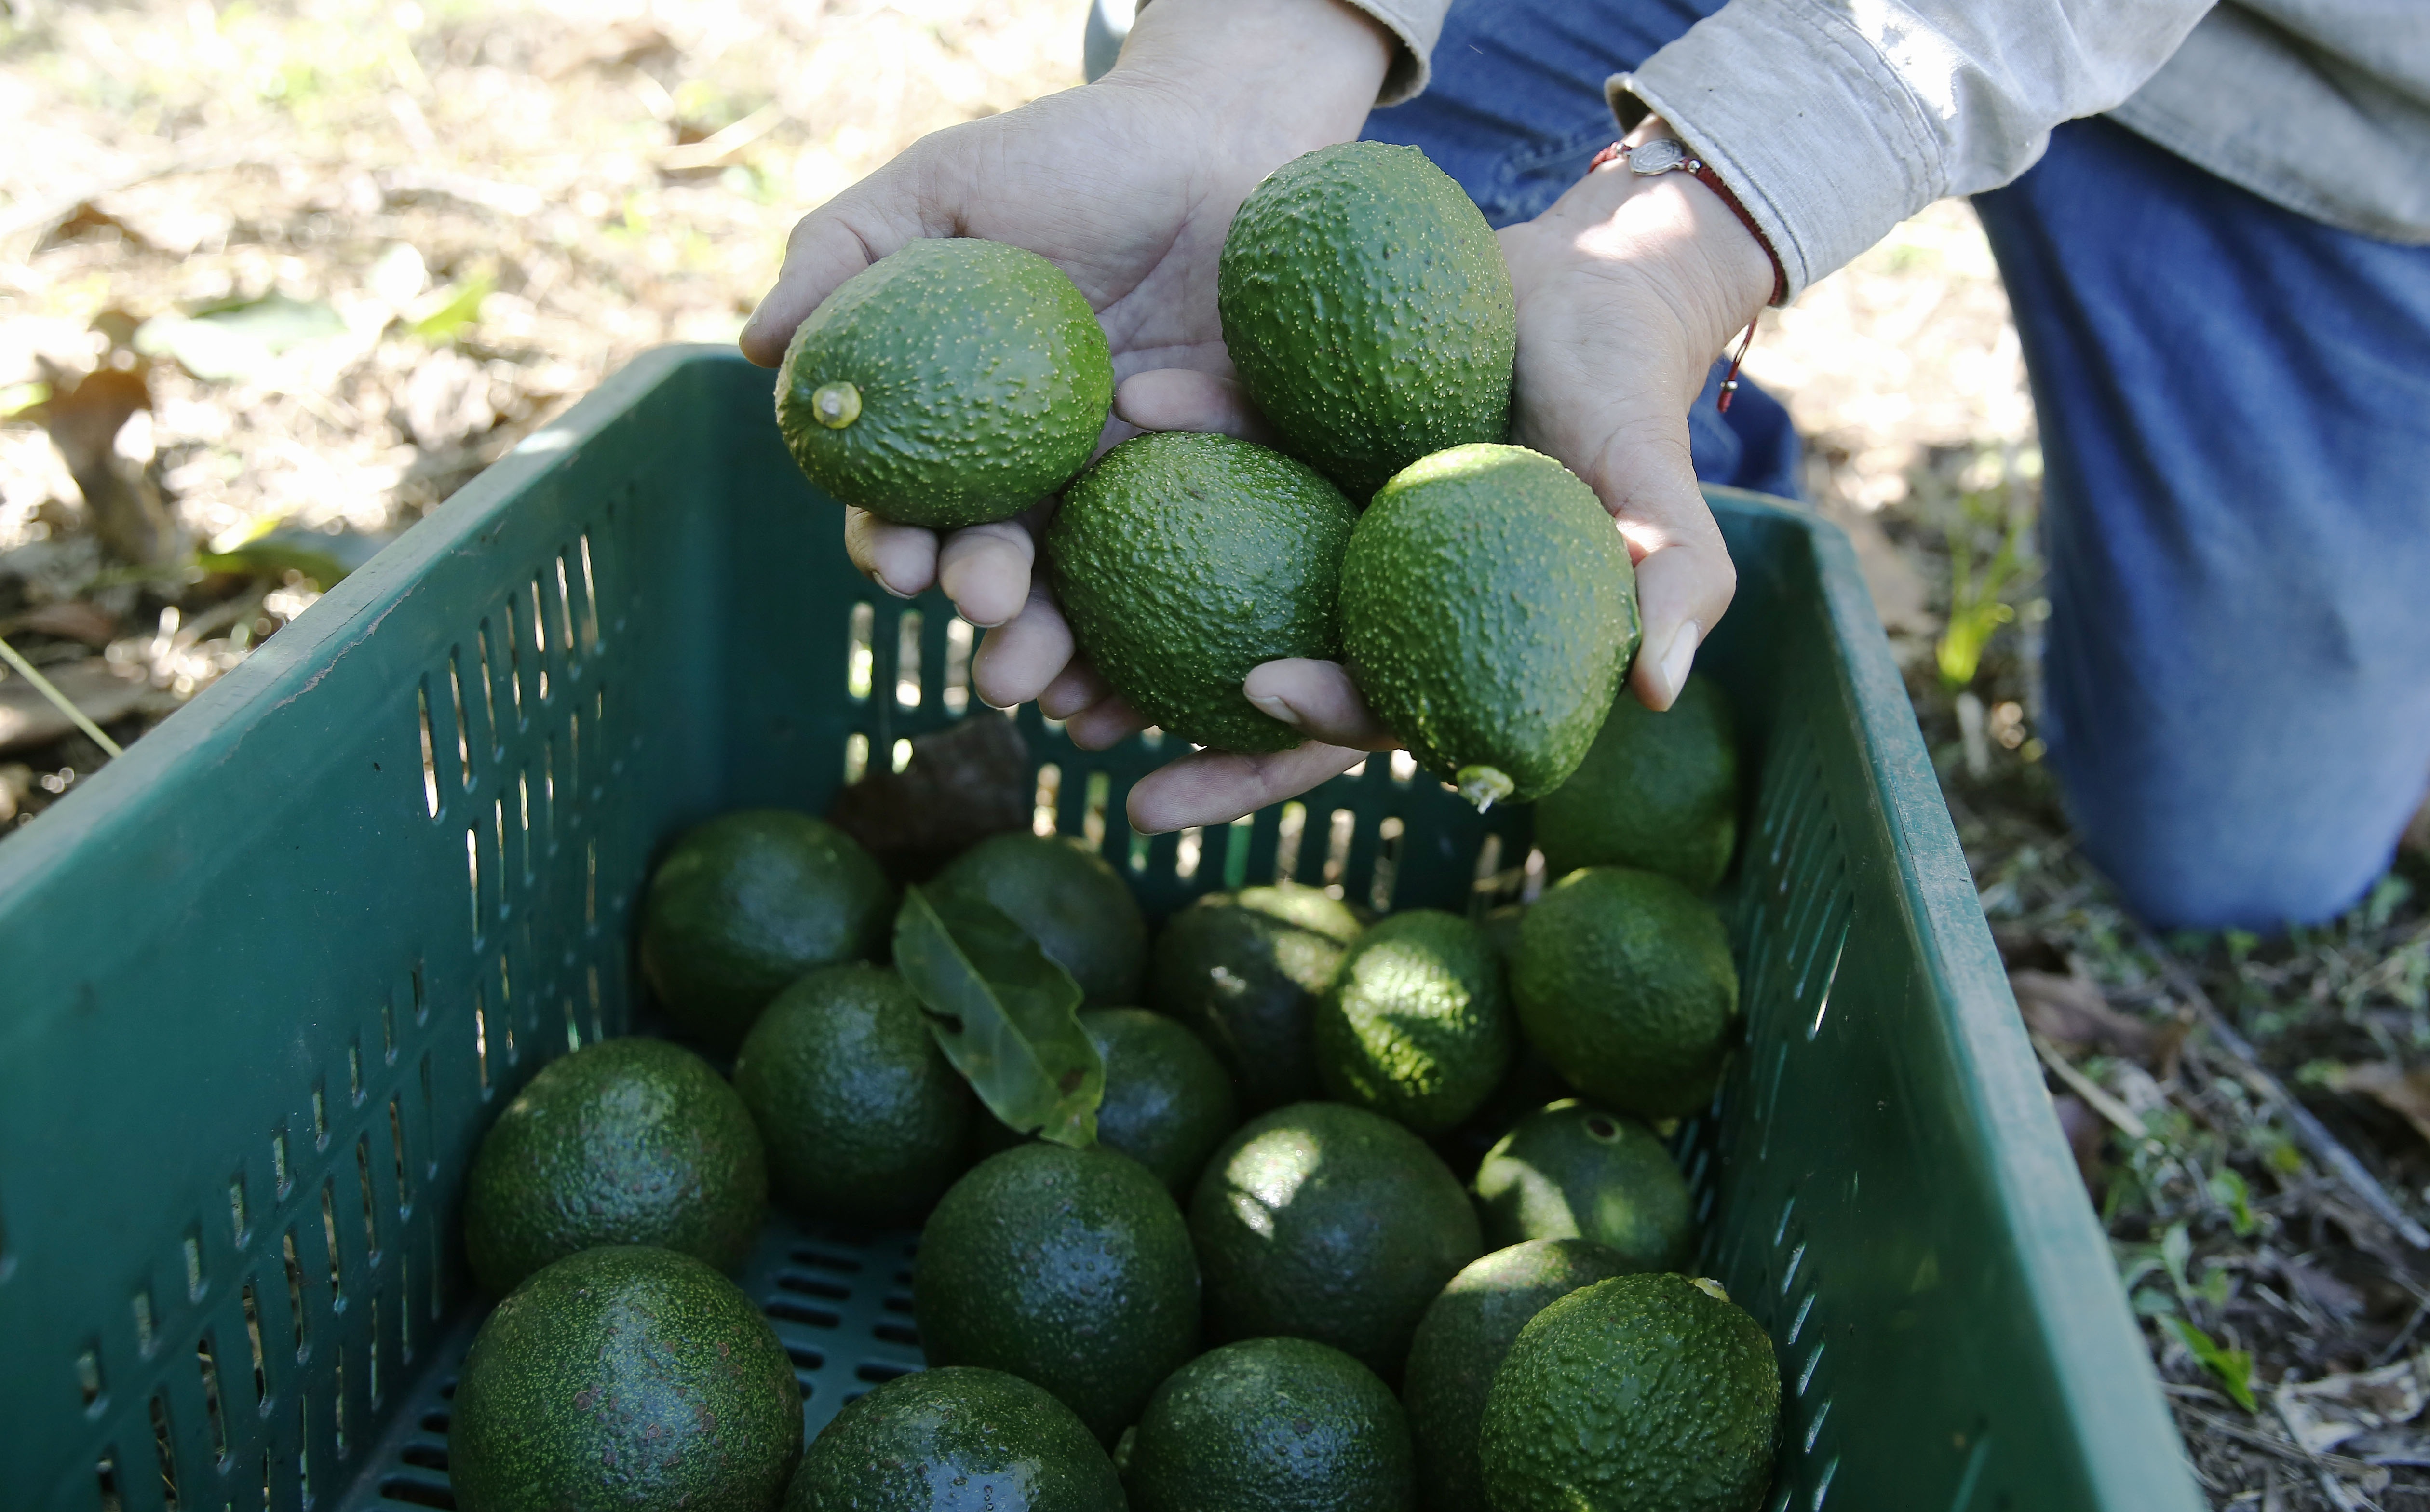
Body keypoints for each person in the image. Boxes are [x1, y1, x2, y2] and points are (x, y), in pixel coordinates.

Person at [739, 0, 2430, 932]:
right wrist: (1252, 60)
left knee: (2245, 849)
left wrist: (1715, 219)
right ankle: (1684, 427)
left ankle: (1665, 355)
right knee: (1299, 233)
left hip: (2290, 81)